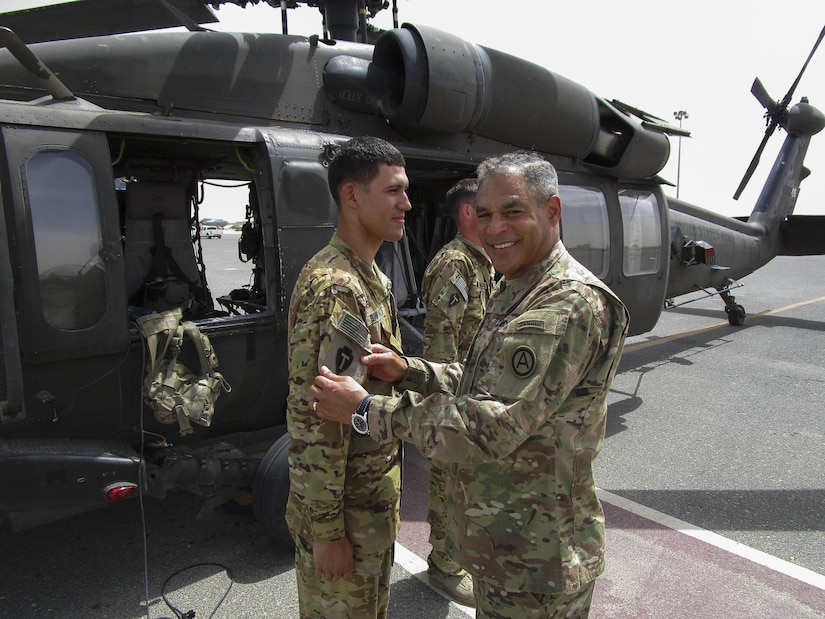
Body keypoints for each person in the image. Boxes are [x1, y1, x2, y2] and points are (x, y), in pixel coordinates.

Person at [309, 151, 630, 618]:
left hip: (535, 563)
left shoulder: (563, 306)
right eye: (485, 215)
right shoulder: (518, 285)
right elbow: (484, 380)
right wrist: (410, 370)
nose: (495, 228)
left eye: (513, 211)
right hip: (505, 546)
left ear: (552, 211)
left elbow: (487, 425)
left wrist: (364, 410)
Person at [285, 136, 410, 619]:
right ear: (352, 196)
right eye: (393, 191)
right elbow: (319, 417)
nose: (406, 203)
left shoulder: (369, 277)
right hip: (348, 520)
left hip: (370, 507)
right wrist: (327, 532)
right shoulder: (338, 286)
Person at [419, 177, 494, 606]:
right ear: (468, 213)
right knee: (450, 481)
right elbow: (440, 340)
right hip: (456, 397)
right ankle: (445, 568)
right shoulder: (456, 265)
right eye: (485, 210)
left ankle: (457, 556)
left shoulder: (479, 262)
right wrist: (447, 408)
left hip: (475, 394)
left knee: (467, 484)